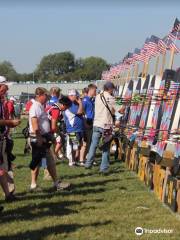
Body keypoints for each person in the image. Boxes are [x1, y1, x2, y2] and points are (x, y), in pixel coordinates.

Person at [28, 87, 70, 191]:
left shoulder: (40, 106)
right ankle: (34, 185)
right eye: (46, 96)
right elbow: (34, 123)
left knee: (49, 161)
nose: (47, 98)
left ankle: (56, 183)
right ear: (40, 95)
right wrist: (39, 138)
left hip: (43, 138)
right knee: (36, 162)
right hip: (38, 139)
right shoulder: (35, 107)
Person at [85, 82, 116, 173]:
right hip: (106, 125)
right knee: (106, 147)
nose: (113, 91)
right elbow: (120, 109)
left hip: (96, 123)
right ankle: (104, 168)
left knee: (93, 145)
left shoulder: (98, 96)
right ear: (110, 89)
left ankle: (88, 163)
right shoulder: (110, 97)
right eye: (112, 89)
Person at [0, 76, 21, 203]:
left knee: (3, 168)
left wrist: (10, 124)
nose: (6, 90)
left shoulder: (2, 101)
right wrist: (10, 122)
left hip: (3, 138)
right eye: (4, 87)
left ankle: (8, 194)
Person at [64, 89, 84, 166]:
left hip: (78, 129)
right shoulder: (69, 105)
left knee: (77, 145)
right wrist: (80, 103)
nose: (77, 98)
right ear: (70, 96)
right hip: (72, 129)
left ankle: (74, 160)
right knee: (74, 146)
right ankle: (71, 161)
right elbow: (80, 112)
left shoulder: (76, 104)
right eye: (76, 96)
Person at [82, 84, 97, 161]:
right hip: (87, 123)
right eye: (95, 90)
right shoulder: (85, 100)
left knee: (90, 141)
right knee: (88, 141)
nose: (95, 92)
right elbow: (81, 110)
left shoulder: (91, 100)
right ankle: (83, 158)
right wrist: (86, 117)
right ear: (90, 90)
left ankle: (87, 157)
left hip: (91, 122)